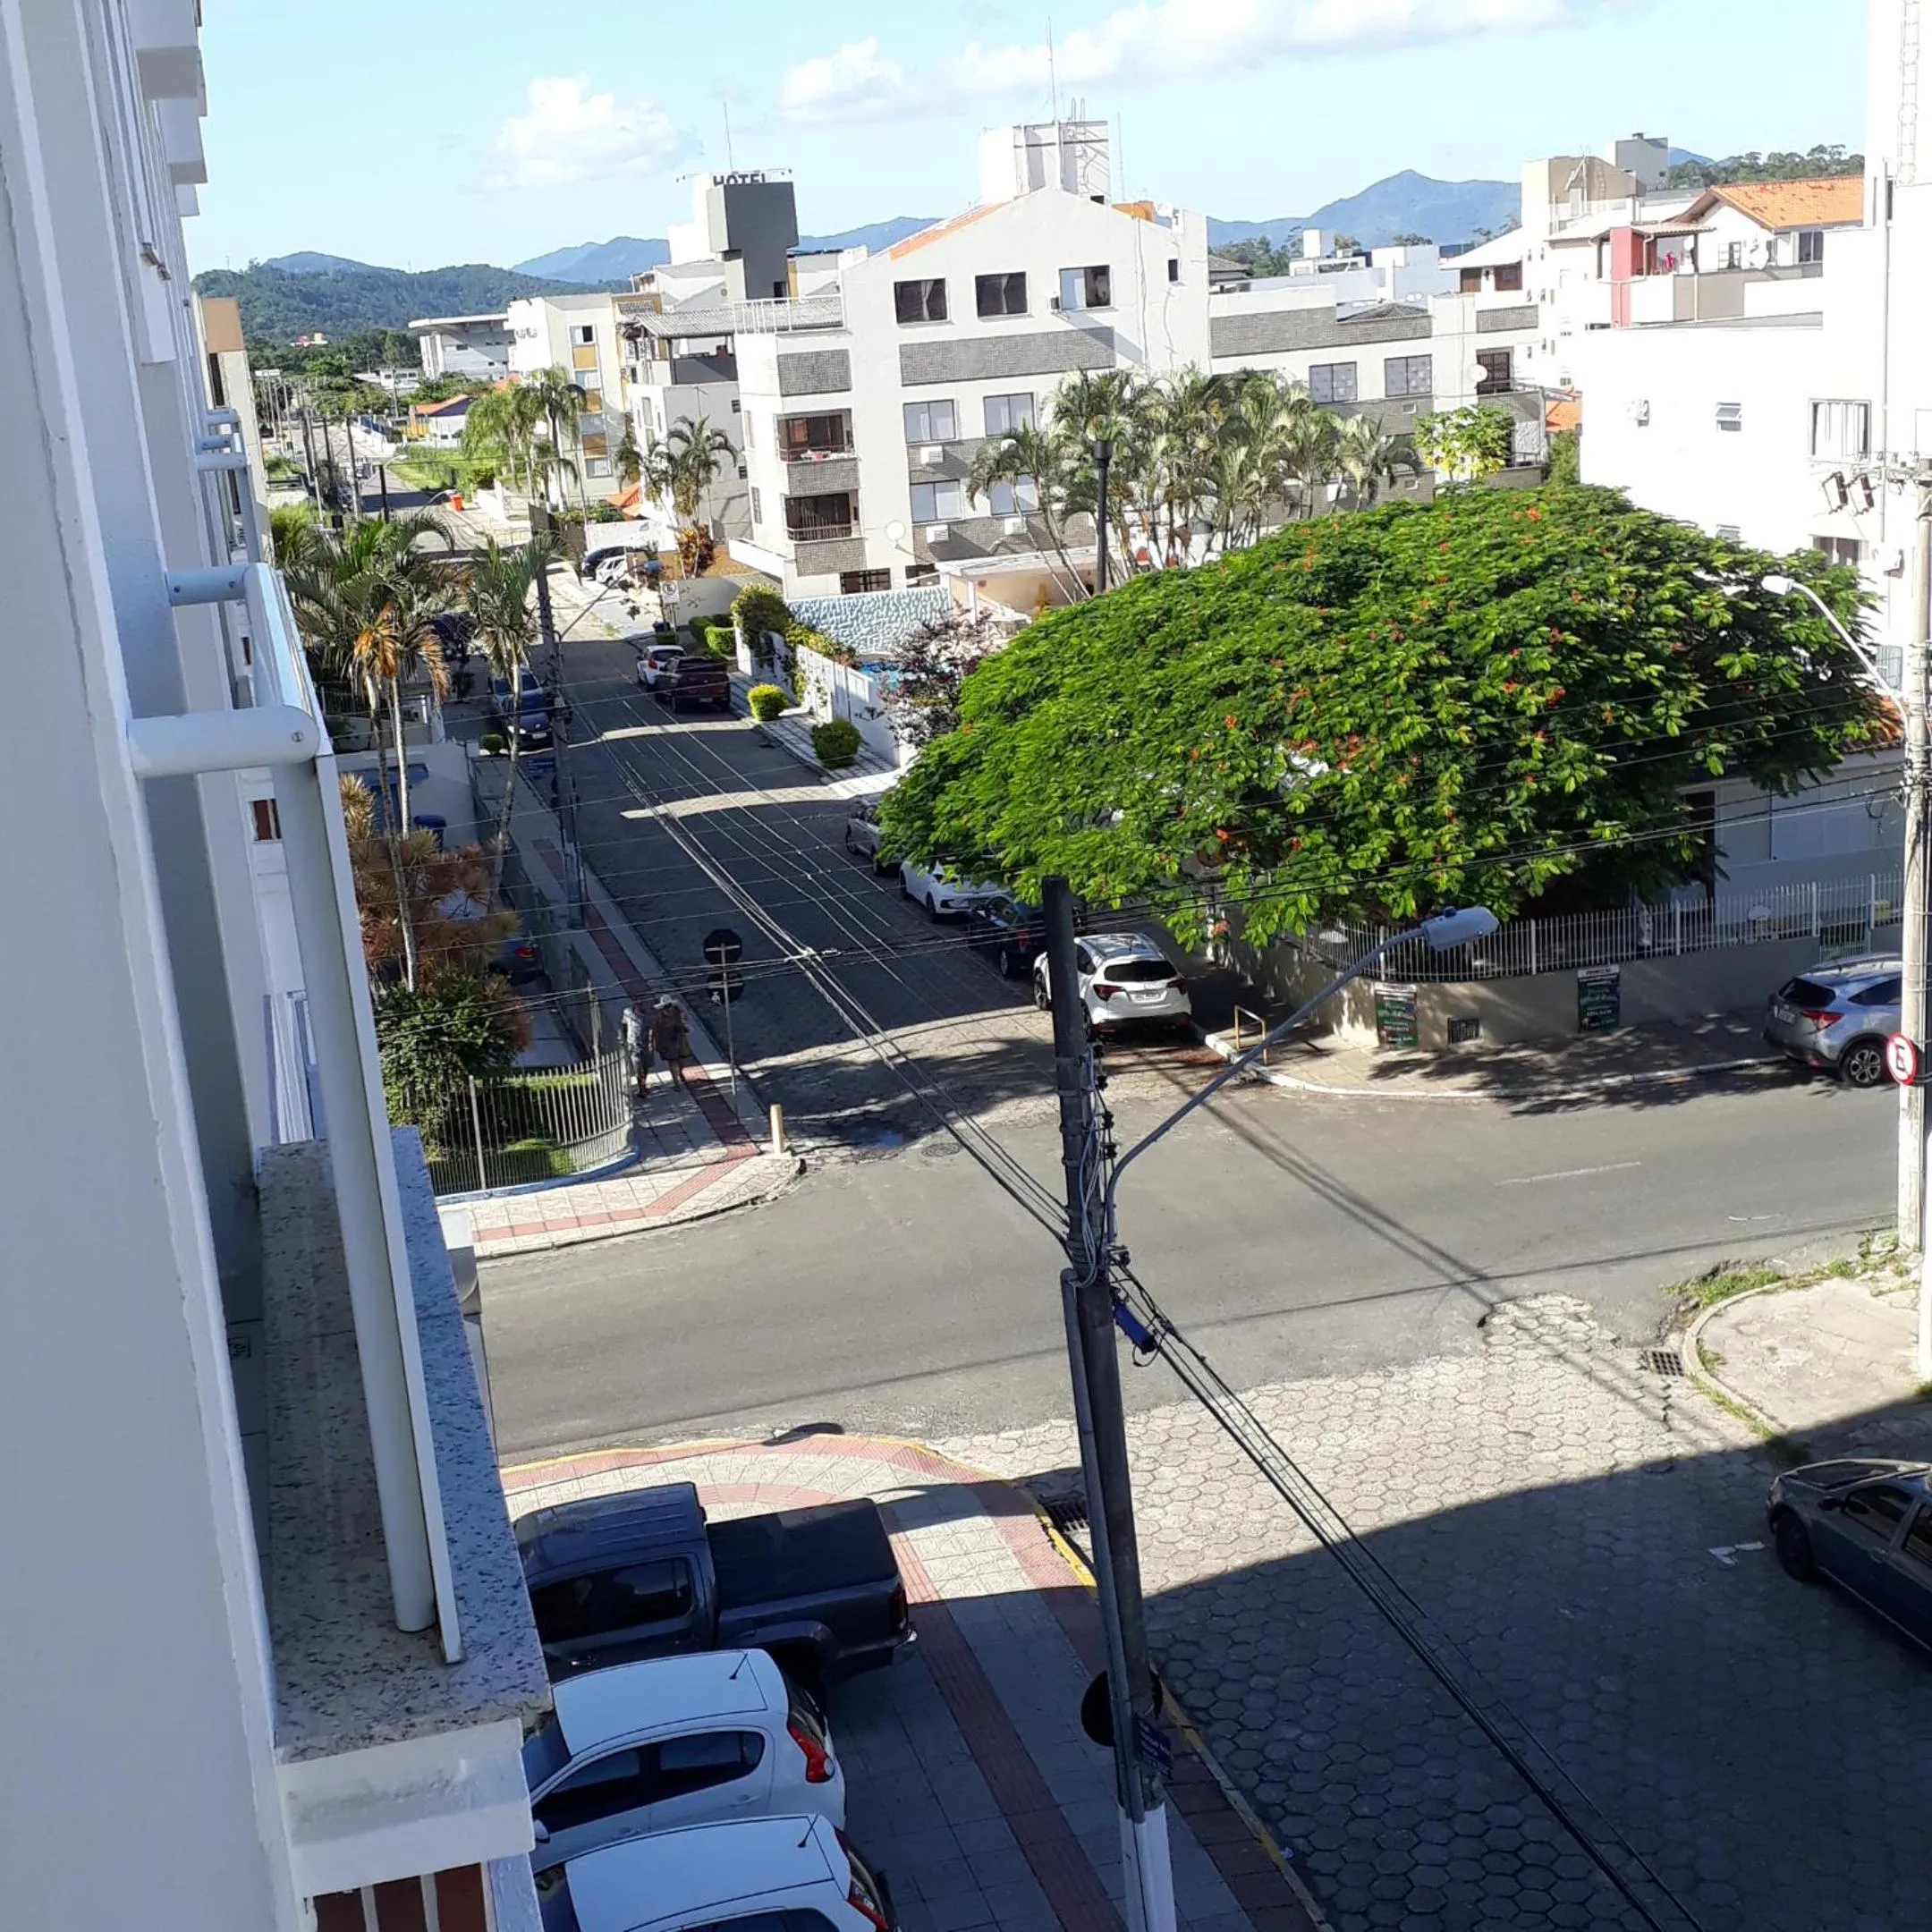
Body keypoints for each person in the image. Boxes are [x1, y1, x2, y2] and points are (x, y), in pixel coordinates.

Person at [651, 997, 691, 1086]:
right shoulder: (658, 1019)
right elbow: (655, 1031)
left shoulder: (678, 1013)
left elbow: (686, 1022)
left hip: (680, 1040)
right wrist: (656, 1044)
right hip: (667, 1043)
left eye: (670, 1006)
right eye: (666, 1007)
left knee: (682, 1061)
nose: (668, 1008)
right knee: (672, 1062)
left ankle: (680, 1072)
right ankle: (676, 1082)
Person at [621, 1002, 651, 1097]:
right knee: (638, 1068)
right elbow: (623, 1025)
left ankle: (643, 1084)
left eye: (641, 1006)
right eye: (637, 1006)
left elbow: (651, 1031)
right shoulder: (628, 1014)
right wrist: (623, 1038)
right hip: (633, 1046)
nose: (639, 1009)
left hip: (645, 1045)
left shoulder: (646, 1018)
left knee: (646, 1067)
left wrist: (651, 1043)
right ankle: (641, 1088)